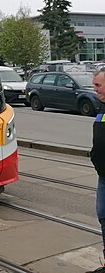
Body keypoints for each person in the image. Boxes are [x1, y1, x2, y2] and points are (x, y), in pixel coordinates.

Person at [89, 69, 105, 273]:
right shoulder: (101, 107)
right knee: (103, 216)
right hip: (103, 176)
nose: (94, 89)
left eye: (98, 85)